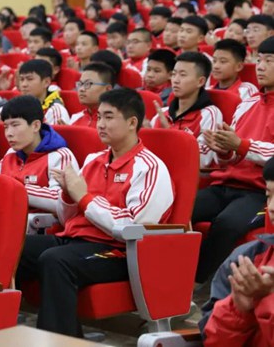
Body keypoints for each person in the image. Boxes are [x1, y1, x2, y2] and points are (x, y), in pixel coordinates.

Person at [16, 88, 173, 337]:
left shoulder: (150, 167)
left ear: (132, 122)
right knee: (13, 247)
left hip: (119, 252)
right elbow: (67, 218)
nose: (100, 124)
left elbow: (133, 227)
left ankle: (60, 342)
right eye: (99, 117)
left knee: (56, 260)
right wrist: (68, 195)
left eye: (109, 117)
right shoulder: (93, 160)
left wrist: (84, 198)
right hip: (76, 239)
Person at [194, 36, 274, 283]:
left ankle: (195, 283)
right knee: (177, 209)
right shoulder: (247, 103)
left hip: (260, 192)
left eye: (269, 61)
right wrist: (223, 148)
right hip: (225, 183)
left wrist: (240, 145)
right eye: (259, 60)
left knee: (227, 223)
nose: (260, 67)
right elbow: (231, 157)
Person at [201, 156, 274, 346]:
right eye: (268, 196)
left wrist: (266, 303)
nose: (271, 208)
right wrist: (238, 308)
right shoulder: (245, 260)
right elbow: (211, 340)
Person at [0, 96, 78, 213]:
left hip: (41, 222)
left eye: (15, 125)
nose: (9, 133)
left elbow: (61, 201)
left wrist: (15, 189)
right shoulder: (10, 153)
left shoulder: (60, 155)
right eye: (5, 127)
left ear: (35, 126)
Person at [152, 52, 223, 168]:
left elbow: (203, 160)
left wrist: (170, 133)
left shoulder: (209, 114)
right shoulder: (162, 113)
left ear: (200, 81)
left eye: (183, 75)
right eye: (174, 74)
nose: (175, 80)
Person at [18, 59, 70, 125]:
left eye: (30, 79)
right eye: (21, 79)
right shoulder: (16, 107)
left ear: (46, 82)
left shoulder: (55, 111)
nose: (24, 84)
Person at [70, 63, 116, 128]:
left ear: (108, 89)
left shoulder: (116, 121)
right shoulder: (76, 117)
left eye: (88, 84)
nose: (81, 89)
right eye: (80, 84)